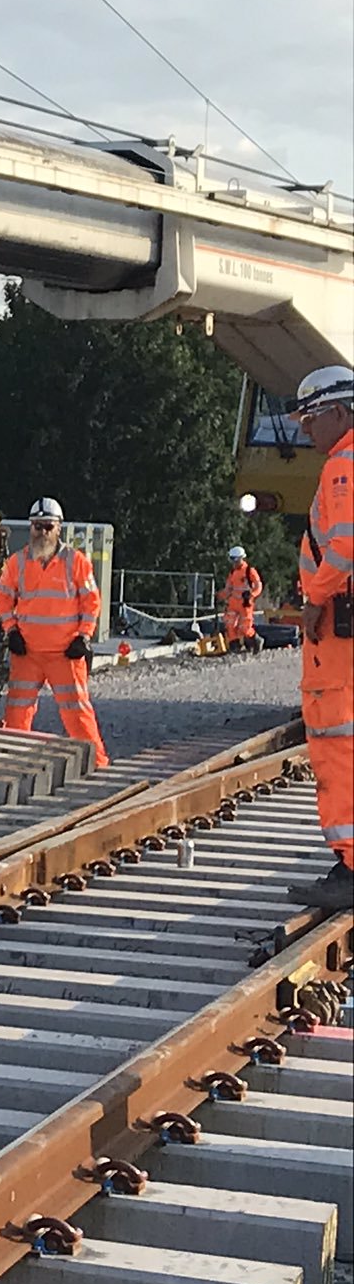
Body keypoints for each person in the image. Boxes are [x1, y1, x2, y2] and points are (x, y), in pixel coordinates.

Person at [289, 364, 354, 909]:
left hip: (341, 634)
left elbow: (344, 544)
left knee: (338, 742)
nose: (305, 430)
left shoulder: (344, 465)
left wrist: (315, 600)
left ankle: (352, 864)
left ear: (338, 412)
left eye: (311, 418)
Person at [0, 497, 109, 768]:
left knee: (78, 713)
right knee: (17, 714)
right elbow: (3, 599)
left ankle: (98, 765)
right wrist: (12, 632)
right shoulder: (17, 563)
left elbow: (92, 601)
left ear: (58, 528)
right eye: (37, 526)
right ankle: (14, 766)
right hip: (28, 653)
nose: (41, 532)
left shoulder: (76, 562)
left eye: (47, 526)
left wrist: (83, 636)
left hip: (65, 653)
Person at [223, 545, 264, 653]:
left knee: (245, 628)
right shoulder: (232, 573)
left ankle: (256, 640)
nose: (234, 563)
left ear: (241, 558)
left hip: (245, 604)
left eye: (235, 560)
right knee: (229, 624)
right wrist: (220, 596)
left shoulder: (249, 571)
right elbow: (228, 588)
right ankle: (234, 646)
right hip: (233, 603)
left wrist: (252, 594)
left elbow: (258, 585)